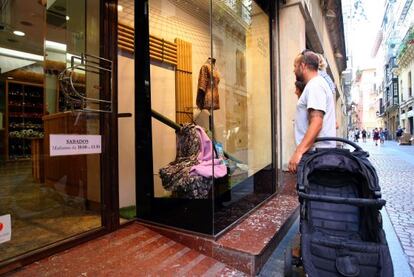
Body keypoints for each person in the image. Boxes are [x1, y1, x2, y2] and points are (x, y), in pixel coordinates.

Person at [288, 50, 336, 173]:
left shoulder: (315, 85)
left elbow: (317, 122)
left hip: (316, 156)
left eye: (295, 66)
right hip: (317, 155)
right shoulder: (316, 84)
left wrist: (298, 152)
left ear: (303, 66)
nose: (294, 70)